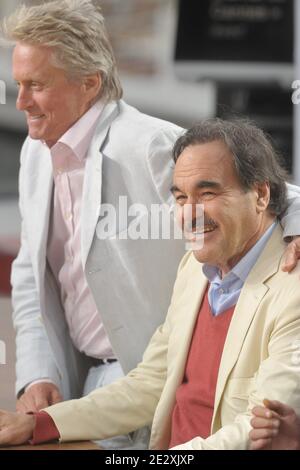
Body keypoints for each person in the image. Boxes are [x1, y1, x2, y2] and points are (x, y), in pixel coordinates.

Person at [1, 118, 300, 450]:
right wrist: (39, 424)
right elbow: (151, 383)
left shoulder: (292, 288)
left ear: (260, 195)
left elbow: (260, 429)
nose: (190, 214)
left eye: (208, 193)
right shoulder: (194, 271)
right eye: (181, 198)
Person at [1, 0, 186, 450]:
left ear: (89, 82)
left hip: (149, 384)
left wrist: (294, 227)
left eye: (36, 85)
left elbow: (274, 194)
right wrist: (37, 372)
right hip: (81, 380)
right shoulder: (35, 153)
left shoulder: (153, 145)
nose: (21, 100)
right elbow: (31, 273)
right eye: (18, 84)